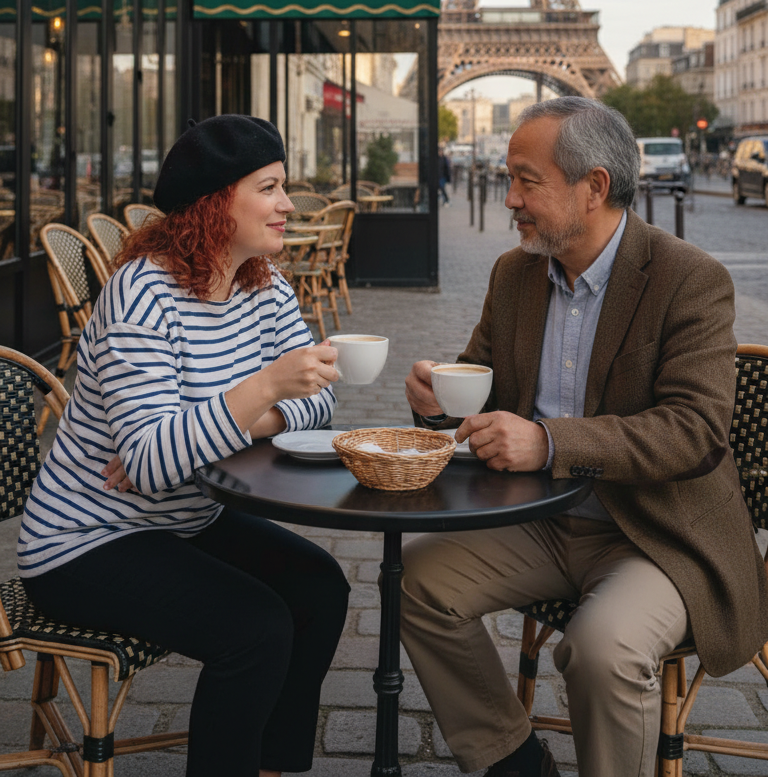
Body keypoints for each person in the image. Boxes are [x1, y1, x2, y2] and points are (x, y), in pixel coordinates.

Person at [402, 97, 768, 777]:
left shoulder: (690, 280)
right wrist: (436, 405)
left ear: (593, 186)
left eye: (525, 180)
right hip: (537, 519)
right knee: (412, 577)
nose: (509, 197)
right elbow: (481, 387)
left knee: (601, 649)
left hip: (657, 534)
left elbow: (693, 433)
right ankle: (512, 759)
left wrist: (548, 444)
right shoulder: (515, 275)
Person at [19, 115, 349, 777]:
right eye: (270, 187)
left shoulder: (262, 283)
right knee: (256, 629)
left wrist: (208, 424)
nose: (288, 204)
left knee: (321, 586)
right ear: (215, 201)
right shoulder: (141, 296)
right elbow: (148, 461)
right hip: (85, 541)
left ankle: (269, 765)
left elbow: (320, 399)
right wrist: (259, 390)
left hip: (183, 517)